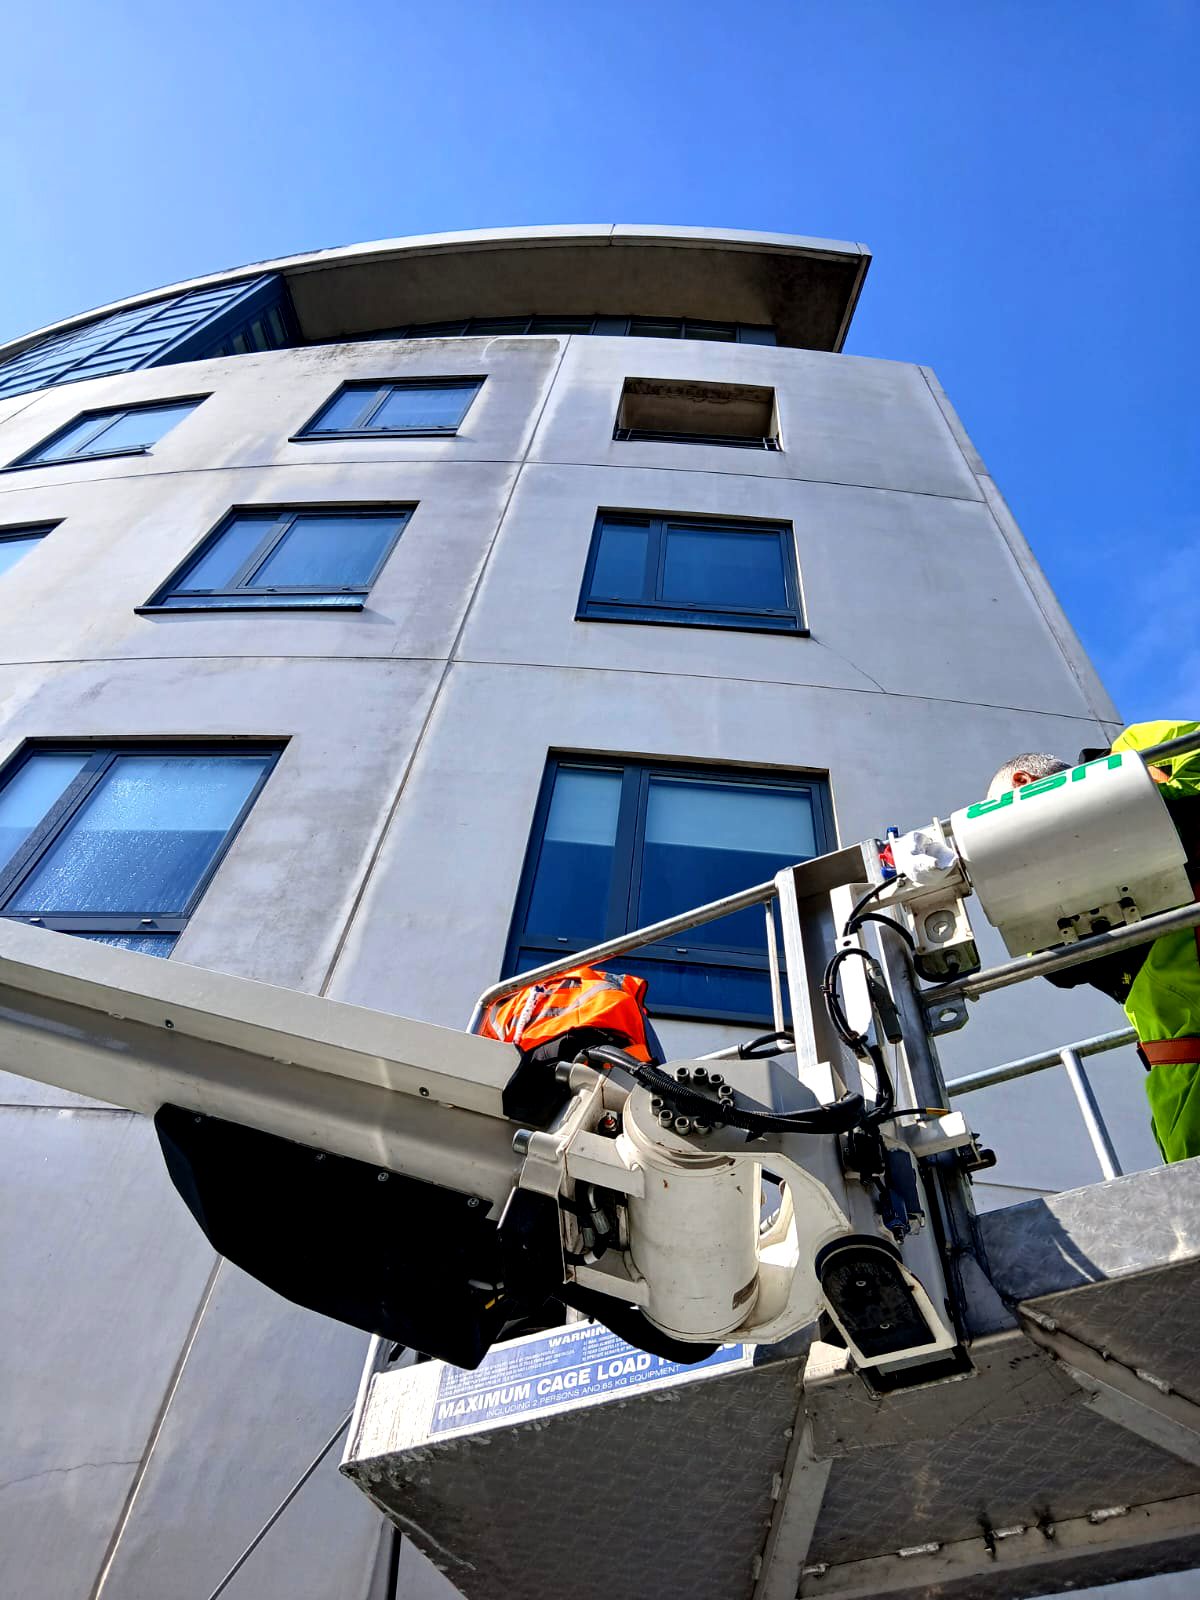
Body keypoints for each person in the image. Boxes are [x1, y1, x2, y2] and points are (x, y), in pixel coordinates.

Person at [987, 721, 1200, 1164]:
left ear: (1022, 784)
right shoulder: (1046, 881)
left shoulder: (1136, 749)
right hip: (1182, 1068)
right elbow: (1059, 967)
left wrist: (1133, 797)